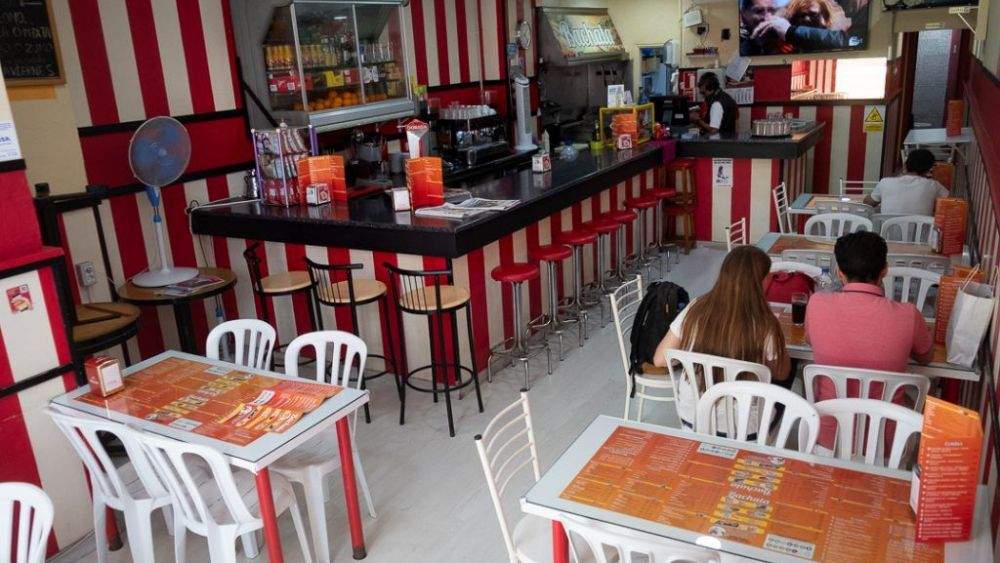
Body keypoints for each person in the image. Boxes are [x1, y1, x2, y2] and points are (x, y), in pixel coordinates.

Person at [805, 232, 933, 451]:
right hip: (887, 448)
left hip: (827, 440)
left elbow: (810, 340)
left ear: (840, 273)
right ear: (885, 270)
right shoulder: (909, 315)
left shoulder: (816, 304)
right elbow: (926, 357)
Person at [653, 246, 792, 431]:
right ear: (761, 281)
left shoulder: (695, 308)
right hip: (746, 430)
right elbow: (781, 374)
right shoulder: (766, 323)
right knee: (789, 374)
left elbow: (660, 359)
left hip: (693, 420)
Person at [865, 149, 949, 215]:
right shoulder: (934, 186)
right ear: (929, 169)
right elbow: (951, 204)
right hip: (920, 232)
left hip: (886, 230)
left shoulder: (885, 182)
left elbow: (867, 203)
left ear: (905, 164)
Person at [748, 0, 848, 53]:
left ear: (825, 16)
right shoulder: (786, 43)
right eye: (803, 15)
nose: (807, 19)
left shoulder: (834, 39)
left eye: (813, 14)